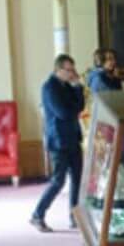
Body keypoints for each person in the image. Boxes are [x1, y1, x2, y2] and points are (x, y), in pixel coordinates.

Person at [31, 54, 86, 233]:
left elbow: (80, 106)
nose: (72, 73)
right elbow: (63, 113)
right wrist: (73, 109)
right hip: (58, 140)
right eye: (69, 70)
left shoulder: (67, 86)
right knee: (58, 181)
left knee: (77, 179)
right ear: (58, 69)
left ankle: (75, 216)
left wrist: (78, 87)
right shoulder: (49, 87)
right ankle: (37, 215)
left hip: (73, 137)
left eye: (73, 69)